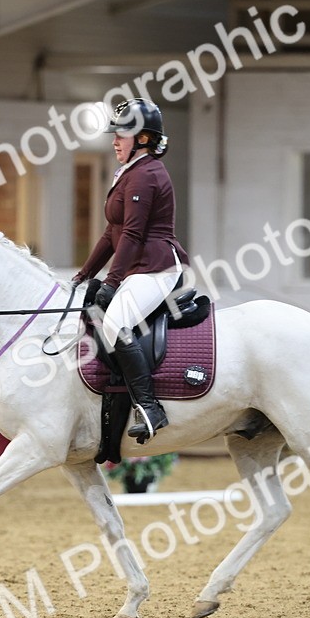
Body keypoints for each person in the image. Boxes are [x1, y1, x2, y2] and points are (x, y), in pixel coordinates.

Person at [72, 99, 190, 443]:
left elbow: (135, 235)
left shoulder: (148, 174)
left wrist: (111, 281)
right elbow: (113, 232)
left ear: (141, 138)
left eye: (121, 134)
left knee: (116, 323)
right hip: (138, 268)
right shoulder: (128, 173)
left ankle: (150, 406)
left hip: (157, 268)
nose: (114, 140)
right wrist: (83, 275)